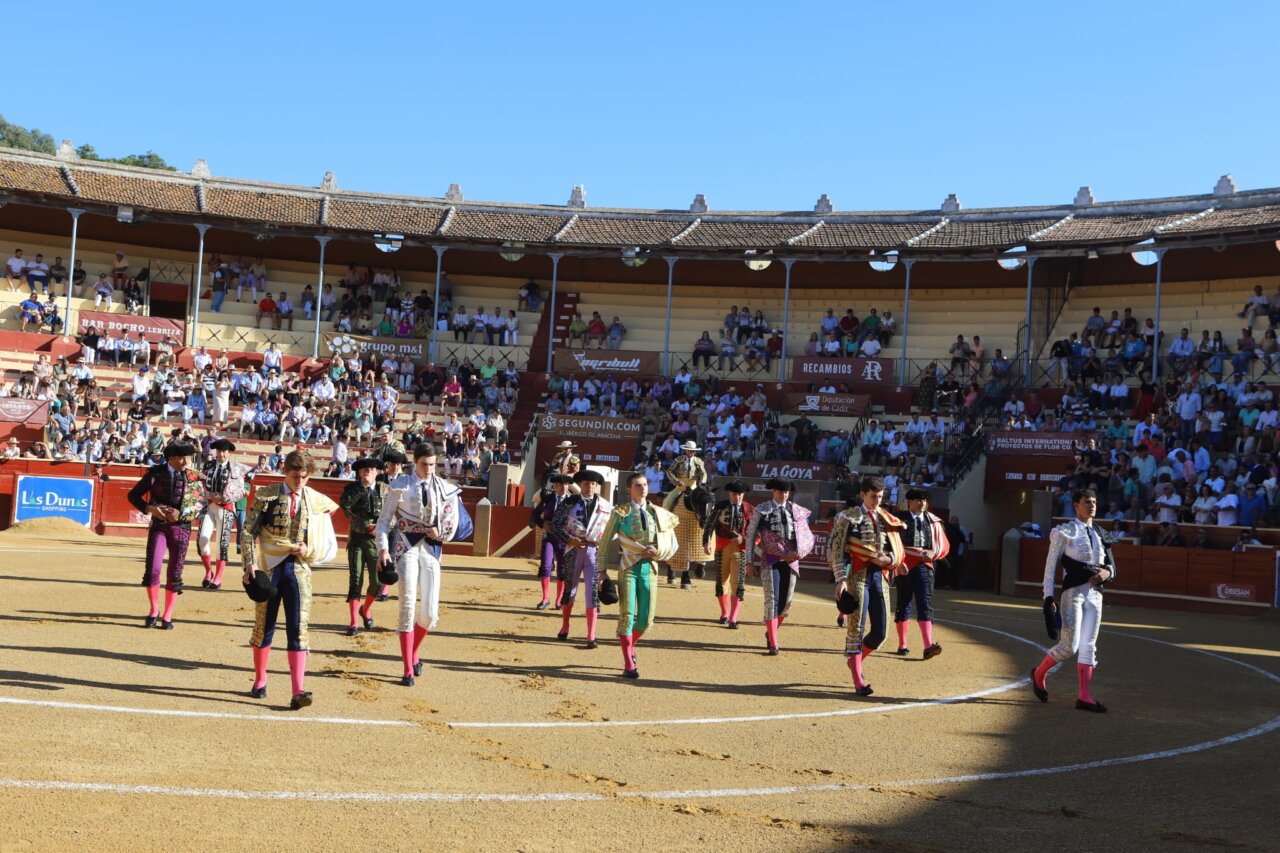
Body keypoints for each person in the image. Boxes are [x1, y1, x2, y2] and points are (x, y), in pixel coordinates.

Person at [241, 450, 340, 709]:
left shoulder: (315, 500)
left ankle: (298, 690)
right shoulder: (268, 493)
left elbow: (322, 536)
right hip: (269, 568)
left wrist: (309, 549)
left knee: (298, 628)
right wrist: (249, 563)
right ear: (286, 471)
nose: (300, 481)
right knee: (265, 627)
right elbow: (249, 531)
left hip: (298, 569)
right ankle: (260, 680)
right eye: (296, 476)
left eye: (305, 477)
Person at [375, 443, 474, 687]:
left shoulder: (445, 488)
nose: (429, 469)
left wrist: (440, 532)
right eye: (424, 464)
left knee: (430, 613)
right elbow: (384, 522)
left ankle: (414, 652)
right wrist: (383, 550)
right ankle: (408, 668)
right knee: (407, 606)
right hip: (406, 547)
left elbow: (453, 524)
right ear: (414, 462)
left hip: (431, 549)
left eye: (432, 464)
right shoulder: (400, 485)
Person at [1030, 489, 1114, 713]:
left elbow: (1111, 565)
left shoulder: (1100, 534)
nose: (1092, 506)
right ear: (1076, 506)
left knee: (1089, 646)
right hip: (1073, 593)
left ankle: (1084, 696)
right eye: (1087, 502)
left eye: (1095, 502)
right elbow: (1050, 567)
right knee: (1069, 646)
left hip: (1096, 593)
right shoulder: (1064, 531)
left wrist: (1108, 574)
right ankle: (1039, 673)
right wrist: (1048, 598)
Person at [828, 476, 906, 696]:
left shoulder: (886, 518)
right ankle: (858, 681)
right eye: (873, 497)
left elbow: (896, 548)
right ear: (862, 494)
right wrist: (841, 579)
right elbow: (838, 549)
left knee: (880, 632)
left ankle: (855, 663)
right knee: (856, 629)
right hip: (857, 577)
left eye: (880, 497)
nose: (877, 501)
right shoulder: (848, 517)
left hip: (879, 578)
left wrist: (891, 561)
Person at [597, 471, 679, 679]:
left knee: (645, 620)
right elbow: (605, 542)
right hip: (628, 568)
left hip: (649, 569)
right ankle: (628, 663)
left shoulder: (657, 513)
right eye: (638, 485)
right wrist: (601, 571)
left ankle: (630, 646)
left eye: (644, 485)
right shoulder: (620, 512)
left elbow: (669, 542)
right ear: (628, 489)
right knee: (627, 617)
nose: (643, 488)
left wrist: (658, 551)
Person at [127, 443, 209, 629]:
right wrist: (149, 508)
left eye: (188, 457)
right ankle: (153, 611)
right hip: (160, 527)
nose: (187, 461)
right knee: (154, 569)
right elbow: (133, 496)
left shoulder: (195, 476)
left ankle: (167, 615)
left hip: (181, 528)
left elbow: (202, 506)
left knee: (174, 573)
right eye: (183, 457)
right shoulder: (156, 474)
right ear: (172, 458)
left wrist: (182, 515)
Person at [744, 477, 815, 655]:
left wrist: (799, 552)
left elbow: (806, 536)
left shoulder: (796, 511)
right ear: (772, 491)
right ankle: (774, 643)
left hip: (791, 561)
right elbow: (751, 536)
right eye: (779, 491)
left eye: (786, 492)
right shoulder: (762, 510)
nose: (783, 495)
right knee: (772, 601)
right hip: (770, 560)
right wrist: (749, 561)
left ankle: (771, 631)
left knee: (785, 604)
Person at [551, 469, 614, 647]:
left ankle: (591, 635)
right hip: (573, 549)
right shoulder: (569, 502)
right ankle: (565, 625)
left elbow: (610, 530)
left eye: (593, 484)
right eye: (586, 484)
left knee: (592, 592)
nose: (590, 487)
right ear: (580, 485)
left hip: (594, 550)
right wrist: (569, 539)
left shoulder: (605, 505)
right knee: (570, 590)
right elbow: (555, 524)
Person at [892, 488, 950, 658]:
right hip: (904, 565)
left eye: (924, 500)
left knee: (925, 603)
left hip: (925, 566)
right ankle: (902, 644)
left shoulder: (933, 521)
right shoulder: (899, 519)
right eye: (918, 500)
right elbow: (892, 542)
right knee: (903, 603)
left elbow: (942, 544)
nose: (922, 503)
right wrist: (897, 562)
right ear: (910, 502)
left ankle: (928, 646)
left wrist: (934, 554)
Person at [340, 457, 389, 636]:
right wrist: (363, 487)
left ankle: (365, 609)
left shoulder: (385, 490)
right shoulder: (352, 489)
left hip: (376, 541)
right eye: (364, 470)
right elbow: (345, 506)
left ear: (377, 471)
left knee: (377, 582)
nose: (367, 471)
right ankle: (353, 623)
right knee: (356, 580)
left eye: (371, 469)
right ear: (359, 473)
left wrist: (382, 528)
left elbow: (393, 515)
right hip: (357, 540)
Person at [701, 480, 756, 628]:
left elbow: (756, 534)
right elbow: (709, 525)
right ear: (729, 494)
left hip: (739, 550)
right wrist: (706, 542)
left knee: (737, 584)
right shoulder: (720, 507)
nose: (737, 497)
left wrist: (742, 539)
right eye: (734, 494)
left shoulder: (750, 509)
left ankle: (733, 618)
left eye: (740, 494)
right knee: (721, 582)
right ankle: (724, 612)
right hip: (722, 548)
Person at [197, 439, 250, 590]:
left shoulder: (235, 469)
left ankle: (218, 578)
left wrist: (225, 498)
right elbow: (200, 485)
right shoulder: (208, 466)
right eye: (219, 451)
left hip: (226, 508)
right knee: (202, 540)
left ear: (229, 452)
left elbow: (240, 491)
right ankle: (208, 572)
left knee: (222, 544)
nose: (221, 454)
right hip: (210, 507)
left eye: (224, 451)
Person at [529, 473, 572, 609]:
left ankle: (558, 601)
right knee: (546, 565)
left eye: (566, 484)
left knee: (562, 569)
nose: (563, 487)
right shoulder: (548, 499)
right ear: (555, 486)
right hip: (549, 537)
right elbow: (535, 514)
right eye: (560, 485)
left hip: (564, 539)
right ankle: (545, 598)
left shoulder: (573, 501)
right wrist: (542, 524)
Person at [661, 439, 708, 509]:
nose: (692, 453)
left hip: (694, 488)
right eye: (690, 450)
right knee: (667, 502)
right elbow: (670, 471)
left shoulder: (698, 461)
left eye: (693, 451)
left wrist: (701, 483)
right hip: (680, 488)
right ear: (686, 450)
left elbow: (703, 473)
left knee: (706, 503)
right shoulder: (679, 459)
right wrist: (676, 481)